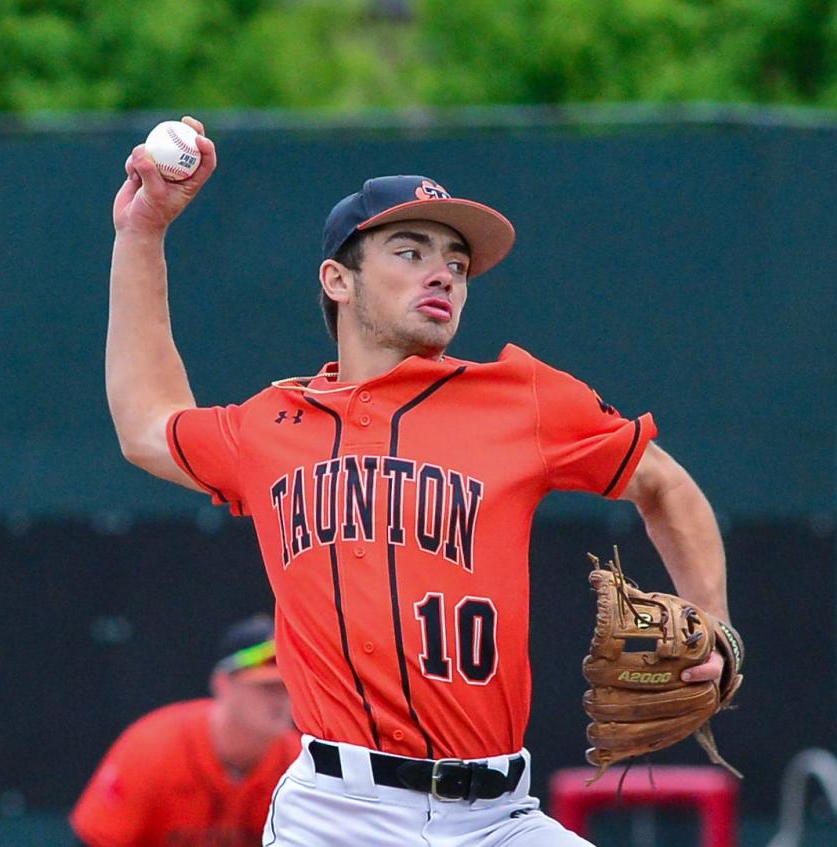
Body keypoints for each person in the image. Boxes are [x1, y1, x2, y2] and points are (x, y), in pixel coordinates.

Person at [106, 116, 735, 846]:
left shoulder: (523, 398)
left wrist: (713, 621)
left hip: (499, 814)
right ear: (338, 279)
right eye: (410, 251)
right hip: (339, 814)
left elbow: (663, 483)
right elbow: (148, 423)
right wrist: (143, 233)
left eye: (457, 263)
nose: (443, 272)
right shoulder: (272, 425)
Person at [70, 615, 300, 847]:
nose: (281, 699)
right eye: (266, 686)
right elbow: (95, 840)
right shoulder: (153, 747)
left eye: (288, 685)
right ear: (223, 683)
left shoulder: (300, 762)